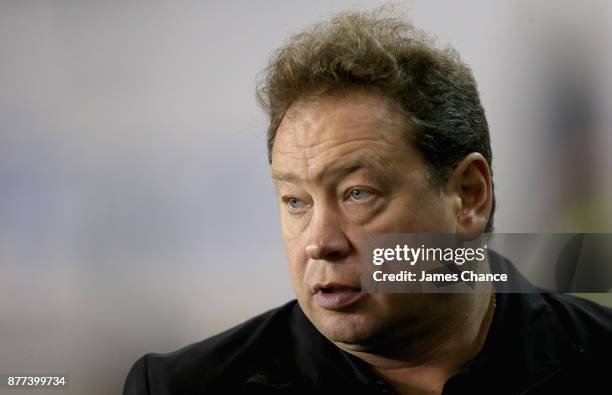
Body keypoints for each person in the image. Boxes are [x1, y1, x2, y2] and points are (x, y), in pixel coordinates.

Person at [123, 8, 612, 394]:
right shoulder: (182, 387)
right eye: (296, 201)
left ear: (468, 196)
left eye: (357, 194)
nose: (319, 242)